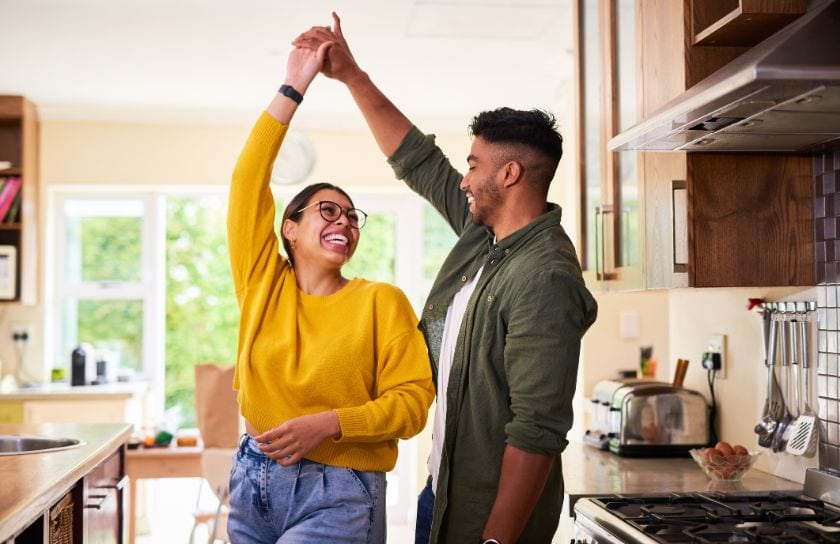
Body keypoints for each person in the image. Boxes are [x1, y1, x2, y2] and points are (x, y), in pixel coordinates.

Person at [294, 15, 598, 544]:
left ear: (508, 175)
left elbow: (538, 434)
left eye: (474, 165)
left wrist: (496, 542)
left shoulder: (543, 278)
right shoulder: (486, 237)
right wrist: (351, 75)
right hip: (444, 493)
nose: (464, 178)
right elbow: (418, 160)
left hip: (488, 519)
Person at [226, 38, 435, 544]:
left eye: (351, 215)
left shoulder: (380, 302)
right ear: (289, 229)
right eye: (327, 209)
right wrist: (295, 84)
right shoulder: (262, 284)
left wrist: (330, 424)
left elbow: (412, 403)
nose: (344, 220)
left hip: (340, 492)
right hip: (252, 482)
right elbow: (247, 180)